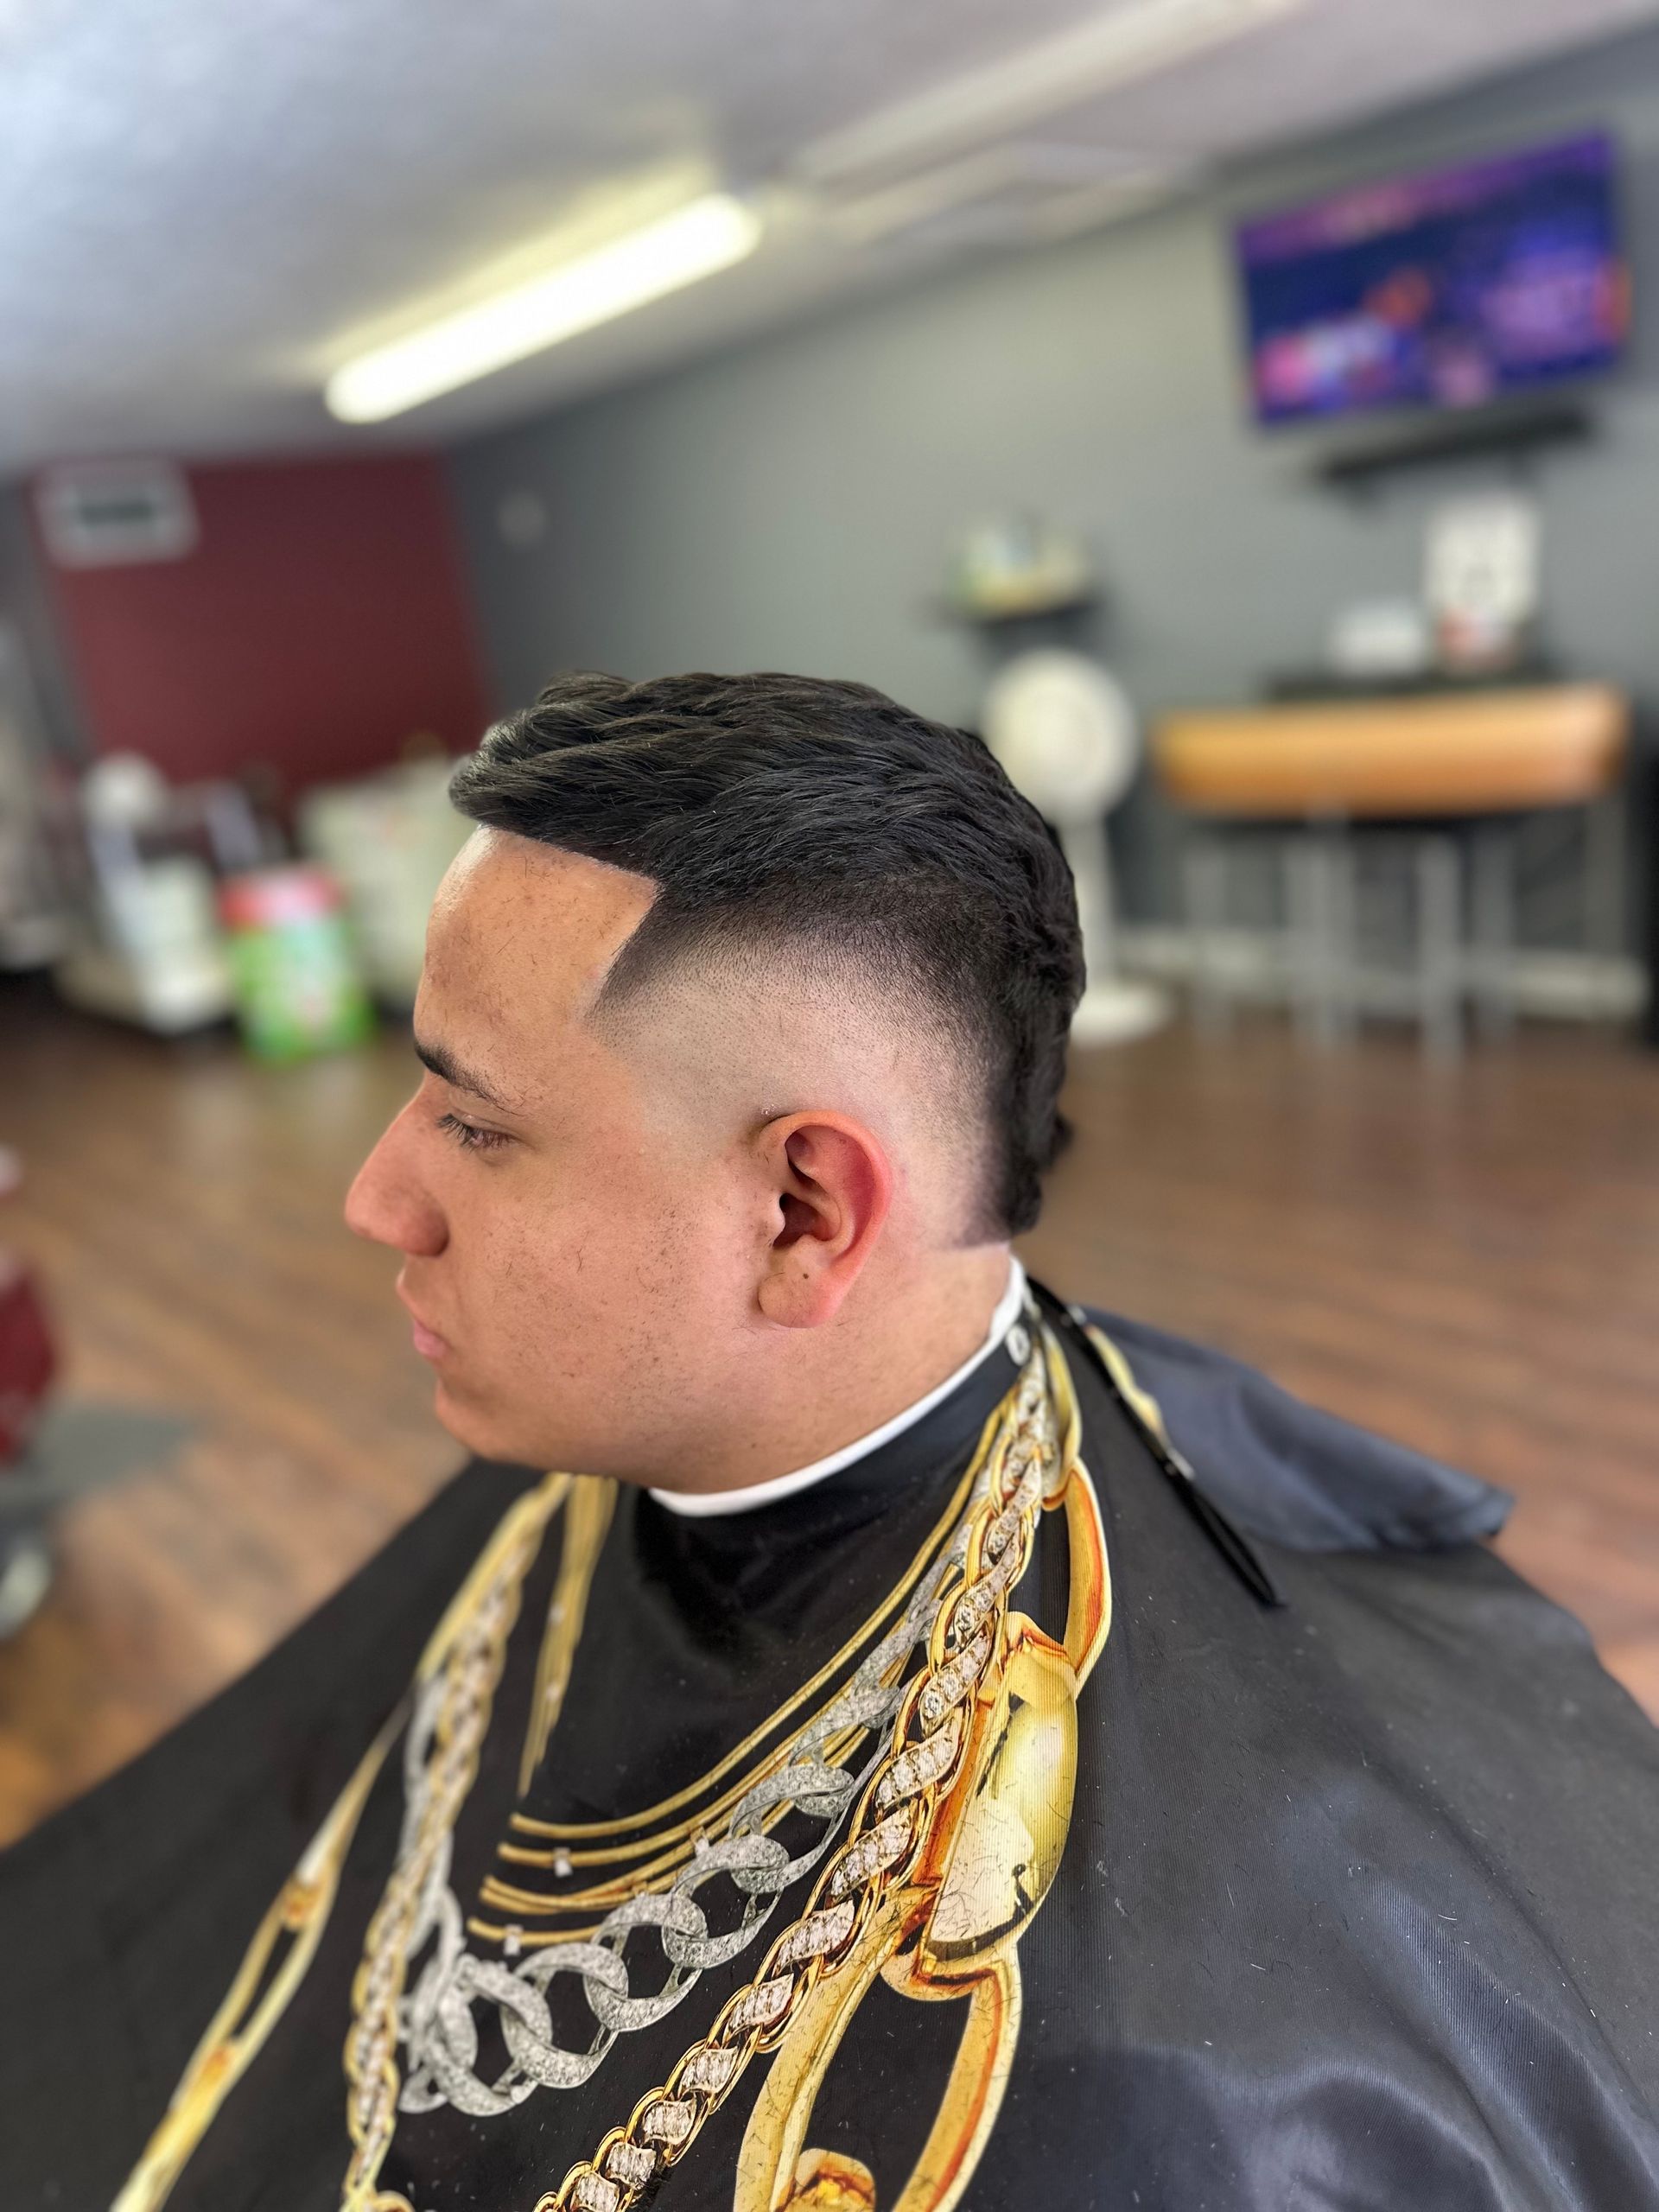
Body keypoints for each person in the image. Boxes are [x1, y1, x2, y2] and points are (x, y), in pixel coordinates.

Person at [3, 671, 1656, 2212]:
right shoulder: (623, 1443)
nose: (377, 1196)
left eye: (477, 1123)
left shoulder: (1176, 2080)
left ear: (804, 1212)